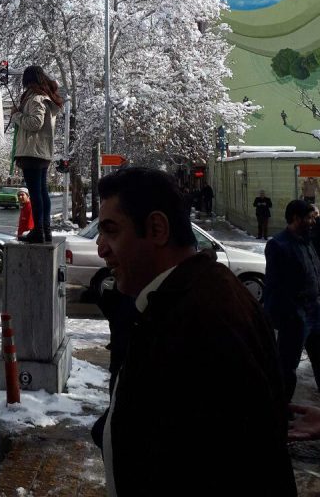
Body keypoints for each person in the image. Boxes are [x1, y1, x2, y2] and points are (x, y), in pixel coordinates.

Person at [94, 167, 295, 497]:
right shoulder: (187, 298)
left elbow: (230, 465)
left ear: (157, 228)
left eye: (111, 231)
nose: (101, 248)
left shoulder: (204, 316)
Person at [264, 199, 320, 402]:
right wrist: (286, 316)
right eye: (308, 218)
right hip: (295, 317)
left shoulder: (308, 241)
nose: (312, 222)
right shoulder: (278, 245)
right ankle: (280, 412)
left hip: (315, 312)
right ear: (296, 218)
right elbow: (273, 285)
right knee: (286, 369)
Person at [11, 65, 63, 244]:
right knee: (42, 192)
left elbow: (35, 123)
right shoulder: (46, 98)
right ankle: (45, 229)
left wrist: (17, 115)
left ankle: (38, 230)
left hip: (32, 151)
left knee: (36, 193)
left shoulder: (35, 99)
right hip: (42, 152)